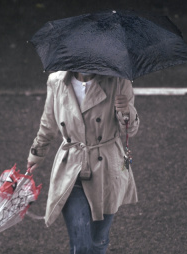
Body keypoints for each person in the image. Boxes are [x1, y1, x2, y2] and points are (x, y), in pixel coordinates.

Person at [27, 70, 140, 253]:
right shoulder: (56, 81)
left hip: (107, 170)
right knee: (80, 244)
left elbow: (130, 130)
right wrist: (37, 153)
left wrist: (126, 111)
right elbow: (48, 124)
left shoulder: (119, 82)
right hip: (71, 167)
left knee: (98, 241)